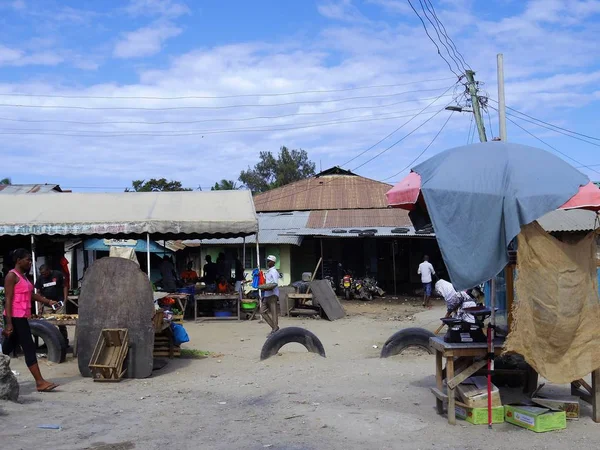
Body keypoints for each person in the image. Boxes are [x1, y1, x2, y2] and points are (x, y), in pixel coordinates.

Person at [1, 249, 59, 392]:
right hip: (14, 316)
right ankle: (40, 382)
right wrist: (9, 323)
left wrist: (48, 301)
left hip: (21, 316)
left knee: (7, 348)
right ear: (18, 260)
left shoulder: (24, 277)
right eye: (27, 259)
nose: (30, 262)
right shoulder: (11, 276)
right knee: (29, 347)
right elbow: (7, 299)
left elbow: (31, 295)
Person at [36, 264, 69, 344]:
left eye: (44, 273)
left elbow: (65, 286)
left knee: (61, 322)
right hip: (47, 304)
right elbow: (38, 293)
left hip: (59, 302)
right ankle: (49, 342)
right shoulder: (40, 278)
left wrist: (65, 298)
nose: (43, 275)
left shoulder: (58, 274)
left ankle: (64, 341)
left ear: (49, 270)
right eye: (42, 273)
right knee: (47, 324)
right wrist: (40, 306)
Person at [261, 255, 280, 335]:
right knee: (262, 311)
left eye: (269, 261)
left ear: (273, 262)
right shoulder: (268, 271)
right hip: (266, 294)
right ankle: (274, 327)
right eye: (267, 261)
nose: (267, 263)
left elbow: (274, 284)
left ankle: (275, 330)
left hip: (272, 294)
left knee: (274, 313)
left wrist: (266, 288)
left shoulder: (274, 272)